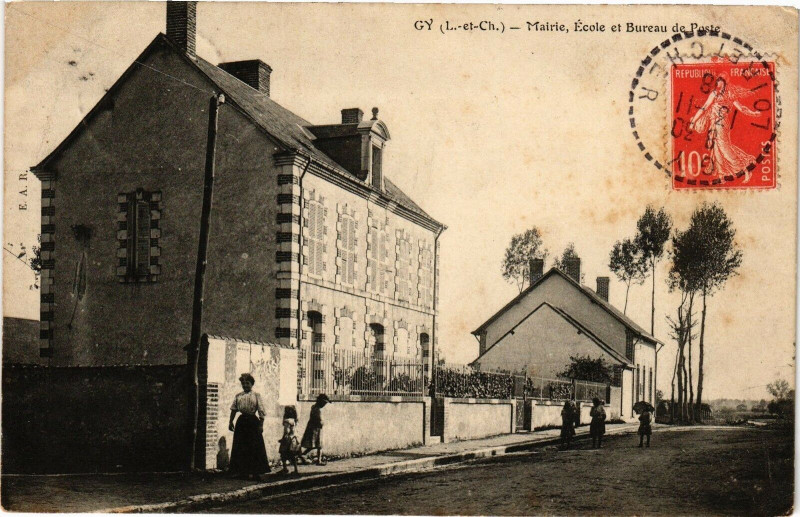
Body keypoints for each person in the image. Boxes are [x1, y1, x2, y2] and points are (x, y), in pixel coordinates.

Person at [228, 373, 271, 480]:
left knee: (254, 447)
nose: (245, 385)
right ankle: (242, 472)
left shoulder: (256, 396)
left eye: (247, 383)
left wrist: (261, 425)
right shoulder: (238, 396)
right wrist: (230, 422)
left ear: (252, 384)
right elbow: (233, 410)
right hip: (242, 422)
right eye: (243, 383)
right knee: (241, 447)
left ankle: (256, 473)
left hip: (252, 422)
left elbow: (261, 411)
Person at [300, 393, 330, 465]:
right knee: (319, 445)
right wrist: (323, 423)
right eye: (324, 403)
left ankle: (302, 455)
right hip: (317, 428)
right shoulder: (319, 410)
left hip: (311, 427)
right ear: (321, 402)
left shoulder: (313, 407)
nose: (325, 404)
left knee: (312, 445)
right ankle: (318, 461)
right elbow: (320, 421)